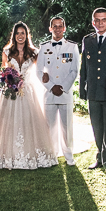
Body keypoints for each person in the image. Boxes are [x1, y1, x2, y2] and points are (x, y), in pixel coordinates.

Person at [0, 22, 59, 169]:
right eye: (17, 33)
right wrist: (8, 81)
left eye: (23, 33)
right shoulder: (6, 52)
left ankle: (32, 153)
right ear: (14, 35)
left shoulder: (34, 53)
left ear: (27, 35)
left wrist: (46, 75)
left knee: (29, 122)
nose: (20, 36)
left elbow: (41, 70)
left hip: (28, 93)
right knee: (8, 123)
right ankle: (6, 154)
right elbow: (4, 71)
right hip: (11, 93)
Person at [79, 7, 106, 176]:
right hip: (93, 91)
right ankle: (100, 156)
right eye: (96, 20)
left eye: (103, 20)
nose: (100, 23)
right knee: (97, 127)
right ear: (92, 22)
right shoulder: (87, 40)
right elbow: (84, 67)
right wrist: (83, 88)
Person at [38, 15, 80, 163]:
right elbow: (38, 71)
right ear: (50, 29)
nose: (57, 29)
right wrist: (51, 87)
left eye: (60, 26)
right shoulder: (44, 47)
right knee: (49, 127)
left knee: (67, 127)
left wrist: (62, 87)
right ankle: (52, 155)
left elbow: (74, 70)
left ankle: (69, 156)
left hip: (65, 93)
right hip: (49, 95)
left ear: (64, 28)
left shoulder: (72, 46)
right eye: (54, 26)